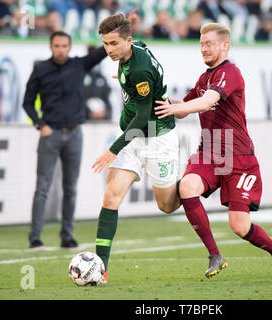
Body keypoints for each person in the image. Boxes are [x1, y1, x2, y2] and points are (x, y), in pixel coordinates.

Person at [155, 22, 272, 278]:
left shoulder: (230, 72)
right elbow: (184, 106)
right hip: (209, 153)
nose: (203, 48)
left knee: (240, 227)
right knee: (187, 187)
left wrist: (175, 108)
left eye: (209, 43)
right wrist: (158, 100)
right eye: (201, 44)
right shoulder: (204, 78)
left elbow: (207, 102)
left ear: (225, 45)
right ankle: (214, 254)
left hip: (238, 158)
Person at [91, 13, 181, 283]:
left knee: (166, 205)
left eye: (114, 44)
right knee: (111, 197)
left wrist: (112, 150)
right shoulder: (134, 48)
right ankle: (100, 269)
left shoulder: (139, 70)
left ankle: (194, 186)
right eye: (106, 44)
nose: (109, 50)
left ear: (127, 41)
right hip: (132, 135)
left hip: (156, 135)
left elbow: (142, 118)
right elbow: (139, 43)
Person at [22, 31, 108, 249]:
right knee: (43, 186)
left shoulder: (79, 65)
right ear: (51, 47)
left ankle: (67, 236)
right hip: (51, 135)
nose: (60, 49)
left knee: (70, 188)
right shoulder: (40, 69)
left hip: (74, 133)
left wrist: (125, 29)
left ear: (70, 47)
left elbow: (103, 51)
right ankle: (35, 237)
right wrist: (40, 124)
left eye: (64, 46)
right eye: (57, 46)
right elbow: (28, 102)